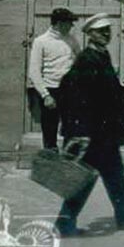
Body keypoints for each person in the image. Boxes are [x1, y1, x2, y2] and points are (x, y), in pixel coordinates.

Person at [55, 14, 124, 236]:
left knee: (109, 175)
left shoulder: (102, 55)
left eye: (108, 30)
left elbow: (104, 90)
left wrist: (120, 87)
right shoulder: (87, 60)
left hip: (103, 131)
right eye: (100, 31)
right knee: (93, 177)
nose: (106, 34)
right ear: (89, 34)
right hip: (93, 132)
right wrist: (81, 132)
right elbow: (79, 99)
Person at [27, 8, 78, 151]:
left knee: (72, 129)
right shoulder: (40, 41)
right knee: (50, 131)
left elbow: (80, 61)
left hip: (69, 91)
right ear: (59, 23)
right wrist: (45, 95)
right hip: (50, 91)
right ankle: (51, 164)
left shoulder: (71, 39)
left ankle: (70, 164)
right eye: (69, 23)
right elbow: (34, 71)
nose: (71, 26)